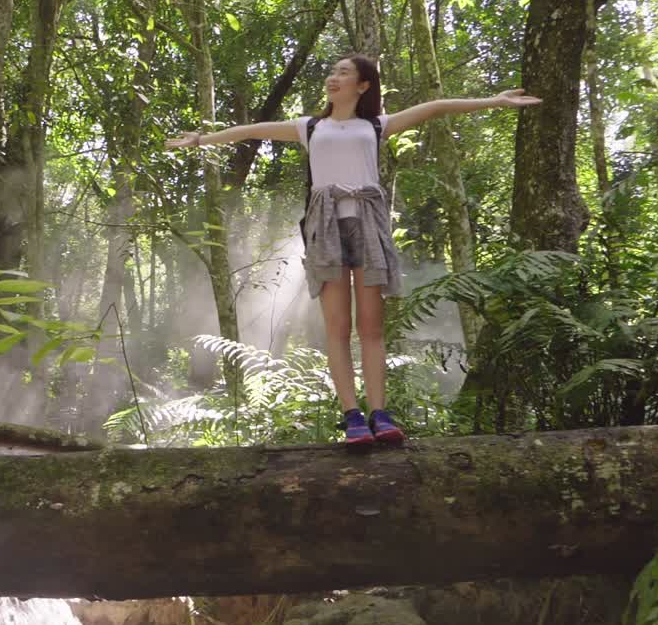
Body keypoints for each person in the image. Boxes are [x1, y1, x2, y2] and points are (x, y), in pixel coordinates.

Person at [165, 53, 541, 448]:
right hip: (325, 226)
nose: (333, 77)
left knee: (371, 327)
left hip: (368, 225)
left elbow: (436, 107)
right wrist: (202, 140)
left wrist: (494, 101)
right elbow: (251, 130)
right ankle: (352, 416)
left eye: (343, 73)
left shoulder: (376, 125)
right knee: (338, 327)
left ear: (362, 85)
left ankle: (380, 413)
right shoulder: (309, 127)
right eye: (333, 72)